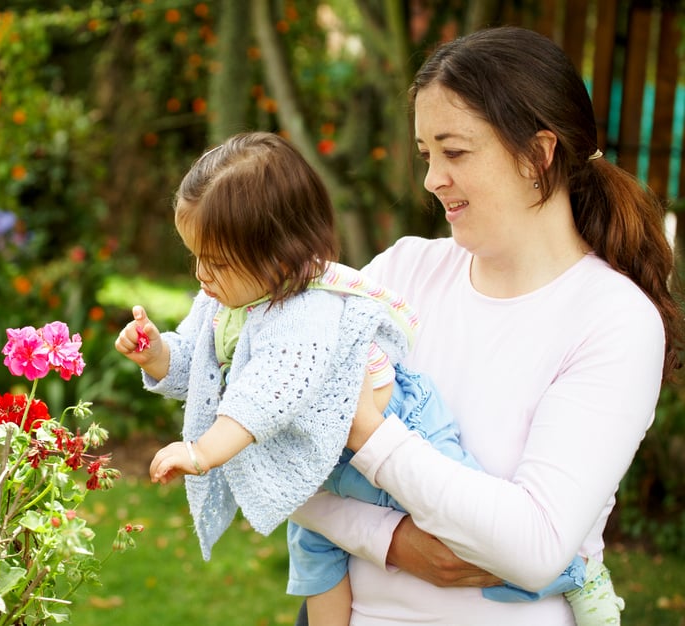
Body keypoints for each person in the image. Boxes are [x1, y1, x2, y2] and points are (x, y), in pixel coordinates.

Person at [113, 130, 608, 626]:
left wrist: (200, 453)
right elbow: (198, 368)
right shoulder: (225, 300)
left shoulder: (303, 311)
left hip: (406, 427)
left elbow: (264, 398)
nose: (202, 275)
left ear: (279, 260)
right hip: (336, 458)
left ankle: (574, 575)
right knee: (313, 558)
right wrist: (157, 354)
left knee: (472, 538)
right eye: (195, 257)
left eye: (217, 263)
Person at [285, 25, 682, 625]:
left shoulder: (614, 320)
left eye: (456, 151)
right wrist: (394, 542)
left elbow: (534, 547)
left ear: (538, 155)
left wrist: (370, 437)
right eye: (426, 154)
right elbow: (274, 448)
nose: (431, 178)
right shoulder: (400, 272)